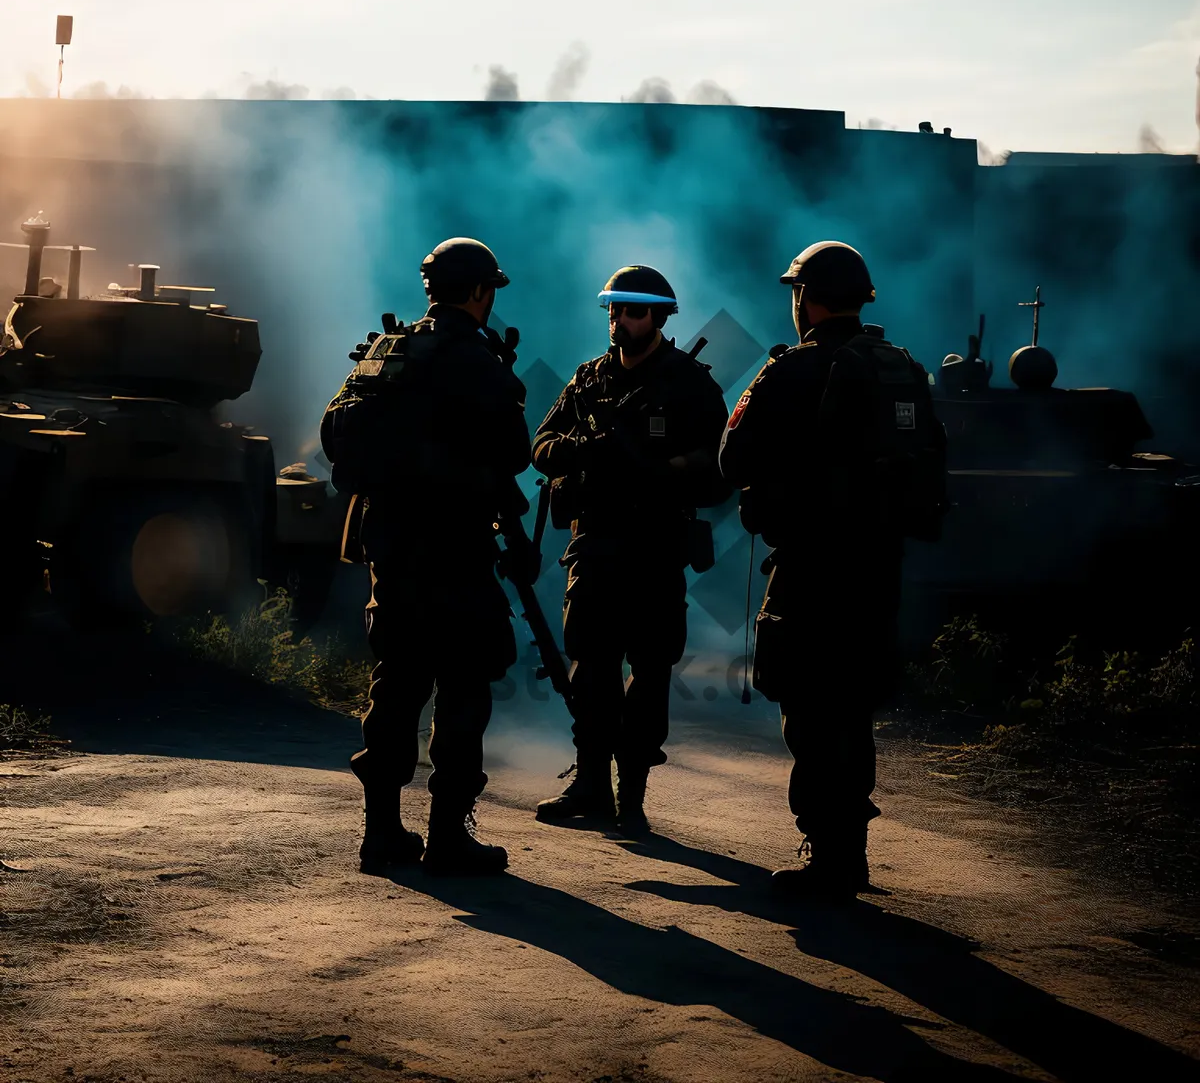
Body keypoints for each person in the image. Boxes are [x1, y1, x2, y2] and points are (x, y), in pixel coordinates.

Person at [718, 241, 945, 898]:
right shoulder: (899, 367)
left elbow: (731, 459)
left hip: (813, 570)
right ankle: (852, 851)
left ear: (805, 300)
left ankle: (828, 853)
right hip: (877, 568)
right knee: (851, 707)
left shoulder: (792, 370)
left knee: (809, 709)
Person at [320, 237, 533, 876]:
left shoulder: (390, 351)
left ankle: (381, 834)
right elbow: (516, 453)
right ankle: (448, 836)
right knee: (465, 683)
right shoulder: (476, 358)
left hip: (392, 548)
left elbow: (338, 428)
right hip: (456, 547)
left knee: (398, 683)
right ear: (477, 291)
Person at [530, 266, 730, 834]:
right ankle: (590, 785)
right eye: (614, 310)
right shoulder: (589, 380)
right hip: (594, 543)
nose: (620, 320)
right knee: (591, 667)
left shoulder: (690, 385)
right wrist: (579, 449)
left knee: (649, 671)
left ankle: (632, 794)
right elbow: (540, 446)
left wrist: (666, 471)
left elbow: (721, 472)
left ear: (660, 317)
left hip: (656, 546)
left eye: (634, 311)